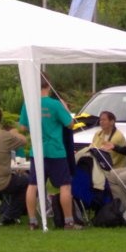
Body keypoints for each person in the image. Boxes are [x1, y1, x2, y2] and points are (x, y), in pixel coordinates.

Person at [18, 73, 81, 230]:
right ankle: (69, 221)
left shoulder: (28, 104)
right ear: (48, 85)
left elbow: (23, 127)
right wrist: (65, 109)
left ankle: (32, 221)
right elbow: (70, 124)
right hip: (56, 151)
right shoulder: (55, 104)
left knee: (33, 185)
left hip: (37, 151)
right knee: (65, 186)